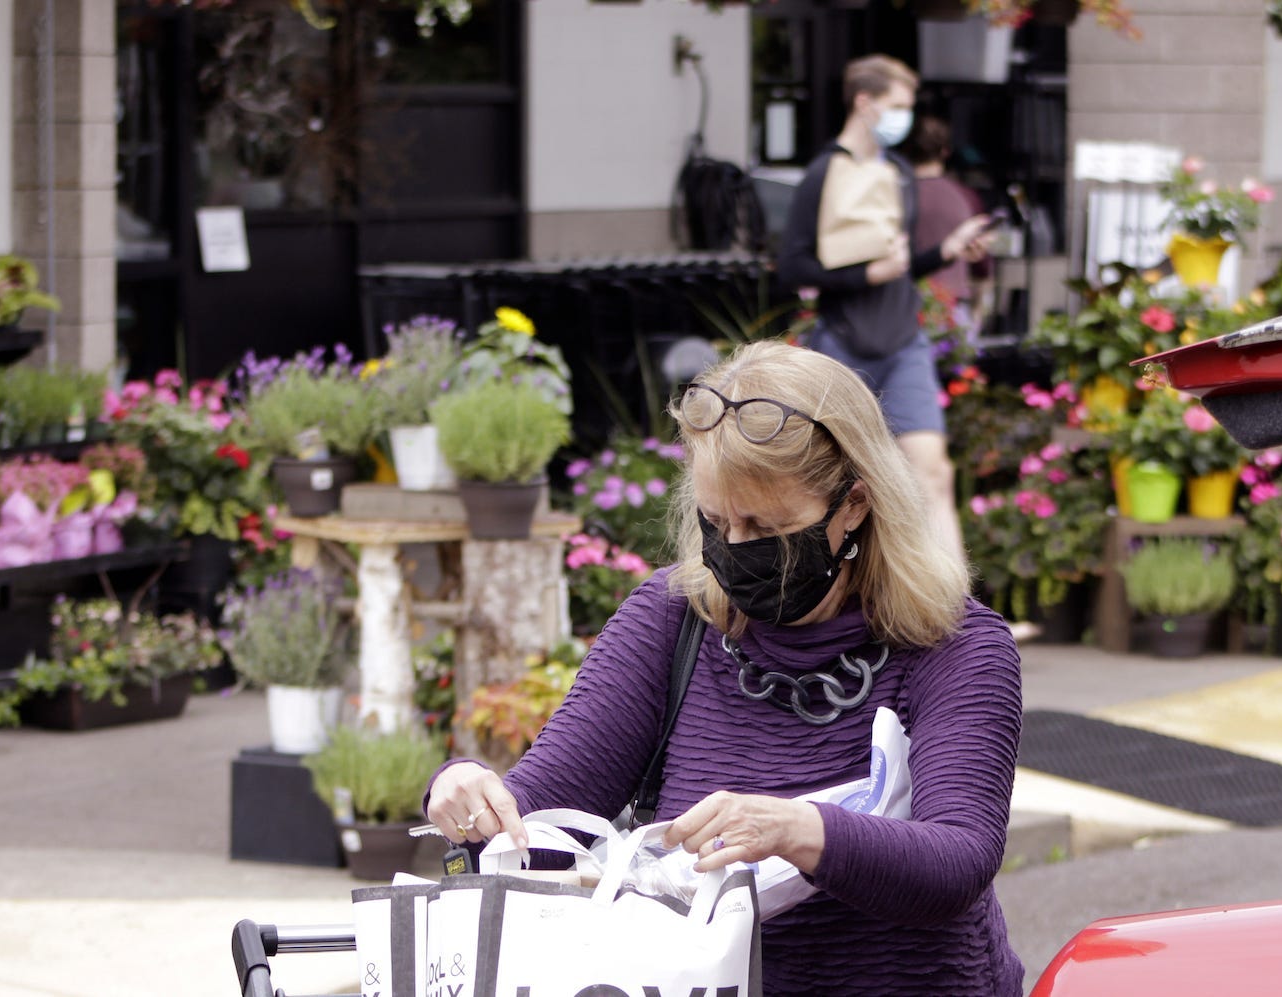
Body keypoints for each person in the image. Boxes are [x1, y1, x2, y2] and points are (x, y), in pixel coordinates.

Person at [425, 340, 1026, 995]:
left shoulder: (955, 645)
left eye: (764, 526)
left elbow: (957, 860)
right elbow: (541, 829)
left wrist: (798, 828)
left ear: (853, 505)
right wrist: (468, 799)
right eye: (715, 521)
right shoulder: (670, 619)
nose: (733, 548)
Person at [775, 55, 991, 556]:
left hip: (904, 342)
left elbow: (899, 265)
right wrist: (864, 275)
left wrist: (946, 251)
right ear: (864, 102)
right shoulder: (823, 173)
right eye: (897, 106)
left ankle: (957, 619)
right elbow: (792, 267)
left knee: (932, 473)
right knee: (828, 487)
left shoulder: (898, 172)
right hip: (843, 344)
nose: (905, 118)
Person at [905, 114, 994, 321]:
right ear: (946, 151)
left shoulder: (896, 194)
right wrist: (978, 313)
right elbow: (982, 266)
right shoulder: (965, 196)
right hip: (953, 306)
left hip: (903, 307)